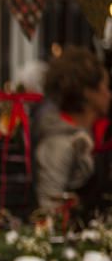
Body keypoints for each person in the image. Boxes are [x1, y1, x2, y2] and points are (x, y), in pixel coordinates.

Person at [34, 46, 111, 216]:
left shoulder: (91, 134)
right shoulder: (59, 141)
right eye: (105, 87)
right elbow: (49, 208)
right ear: (88, 93)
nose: (109, 94)